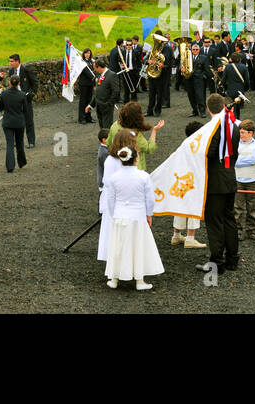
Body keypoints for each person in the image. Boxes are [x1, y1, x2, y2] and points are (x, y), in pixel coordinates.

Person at [100, 132, 163, 290]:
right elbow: (149, 199)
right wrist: (149, 214)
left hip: (120, 216)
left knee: (118, 247)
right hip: (138, 217)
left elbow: (110, 199)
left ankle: (114, 278)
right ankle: (139, 280)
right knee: (138, 246)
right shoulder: (143, 176)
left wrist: (114, 214)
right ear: (135, 159)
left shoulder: (114, 178)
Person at [199, 94, 242, 273]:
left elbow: (209, 153)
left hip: (215, 181)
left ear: (208, 108)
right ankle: (232, 258)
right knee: (229, 218)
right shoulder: (233, 126)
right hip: (230, 176)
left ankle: (217, 261)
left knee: (215, 221)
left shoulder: (212, 128)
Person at [170, 121, 206, 249]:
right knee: (194, 208)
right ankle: (190, 237)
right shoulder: (199, 146)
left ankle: (176, 235)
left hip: (181, 180)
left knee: (180, 206)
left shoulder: (183, 145)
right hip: (193, 180)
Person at [108, 102, 165, 171]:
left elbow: (108, 143)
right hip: (135, 168)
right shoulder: (135, 134)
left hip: (118, 166)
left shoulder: (114, 125)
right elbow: (149, 148)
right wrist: (154, 131)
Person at [234, 120, 255, 241]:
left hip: (252, 180)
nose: (240, 135)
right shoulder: (235, 143)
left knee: (252, 207)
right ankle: (238, 231)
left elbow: (254, 159)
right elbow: (247, 160)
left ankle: (251, 230)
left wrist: (238, 160)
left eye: (243, 132)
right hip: (238, 179)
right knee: (237, 207)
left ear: (251, 133)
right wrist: (245, 160)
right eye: (240, 132)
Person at [0, 71, 29, 173]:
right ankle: (21, 162)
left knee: (10, 144)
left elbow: (0, 107)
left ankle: (10, 166)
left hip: (7, 122)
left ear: (10, 83)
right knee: (20, 143)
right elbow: (25, 110)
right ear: (19, 83)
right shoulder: (22, 95)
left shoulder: (4, 94)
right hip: (19, 122)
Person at [7, 54, 36, 148]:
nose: (10, 63)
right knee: (15, 121)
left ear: (17, 61)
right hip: (15, 100)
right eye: (10, 61)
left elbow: (34, 82)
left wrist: (31, 94)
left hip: (25, 99)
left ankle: (31, 141)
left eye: (11, 61)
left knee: (28, 121)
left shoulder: (26, 70)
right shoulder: (11, 71)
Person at [90, 59, 120, 129]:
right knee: (102, 127)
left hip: (106, 106)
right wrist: (91, 105)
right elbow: (98, 91)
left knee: (107, 127)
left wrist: (109, 104)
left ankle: (108, 139)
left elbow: (116, 91)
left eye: (95, 68)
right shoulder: (100, 75)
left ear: (99, 67)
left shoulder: (112, 75)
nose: (94, 70)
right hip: (99, 106)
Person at [186, 43, 208, 118]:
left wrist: (202, 76)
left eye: (196, 49)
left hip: (199, 80)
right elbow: (182, 65)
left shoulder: (204, 58)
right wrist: (182, 69)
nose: (195, 51)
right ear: (191, 50)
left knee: (200, 96)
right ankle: (194, 110)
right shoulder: (187, 57)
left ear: (199, 50)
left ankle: (202, 111)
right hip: (189, 79)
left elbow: (206, 69)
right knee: (191, 96)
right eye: (193, 49)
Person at [75, 50, 96, 124]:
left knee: (89, 101)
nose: (87, 54)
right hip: (83, 84)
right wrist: (94, 78)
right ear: (84, 54)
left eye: (89, 53)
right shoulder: (82, 62)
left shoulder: (91, 61)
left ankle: (88, 117)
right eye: (86, 53)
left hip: (90, 84)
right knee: (83, 101)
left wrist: (94, 84)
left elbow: (94, 71)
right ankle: (82, 118)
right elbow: (86, 71)